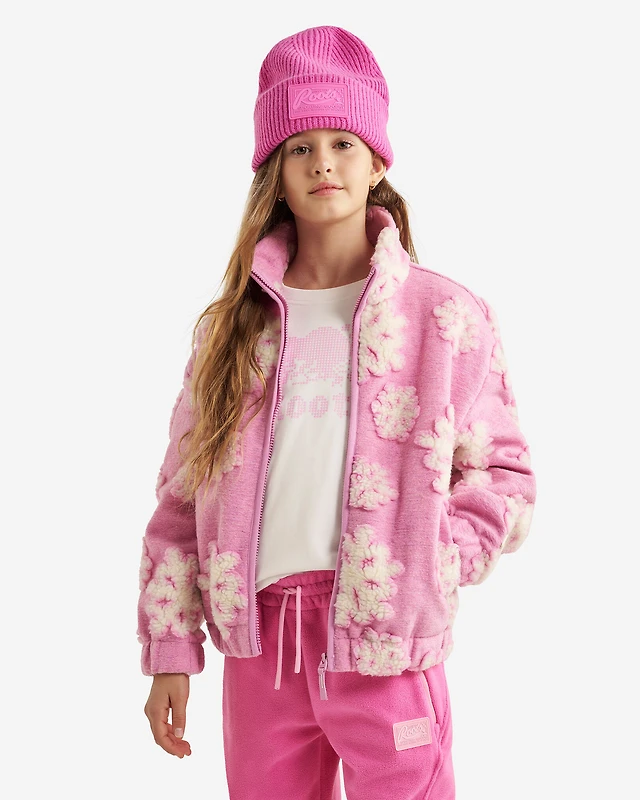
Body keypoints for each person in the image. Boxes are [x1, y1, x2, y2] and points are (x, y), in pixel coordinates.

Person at [137, 24, 537, 800]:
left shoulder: (444, 317)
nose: (323, 161)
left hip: (386, 646)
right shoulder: (230, 332)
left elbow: (504, 474)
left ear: (378, 161)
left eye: (342, 142)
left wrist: (433, 560)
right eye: (300, 147)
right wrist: (170, 650)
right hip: (260, 647)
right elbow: (180, 502)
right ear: (276, 175)